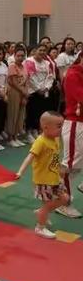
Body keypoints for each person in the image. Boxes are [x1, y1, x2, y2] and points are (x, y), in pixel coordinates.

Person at [16, 112, 69, 239]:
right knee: (47, 204)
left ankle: (42, 213)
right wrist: (20, 171)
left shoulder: (55, 139)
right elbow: (30, 157)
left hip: (55, 178)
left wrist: (60, 169)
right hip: (44, 181)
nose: (61, 129)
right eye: (59, 126)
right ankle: (40, 227)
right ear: (45, 127)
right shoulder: (41, 141)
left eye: (62, 126)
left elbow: (54, 157)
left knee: (65, 198)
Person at [59, 52, 83, 218]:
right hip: (76, 123)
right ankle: (63, 203)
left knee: (75, 164)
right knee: (69, 165)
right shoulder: (73, 74)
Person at [24, 45, 53, 143]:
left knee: (40, 112)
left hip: (44, 91)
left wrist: (46, 88)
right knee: (31, 112)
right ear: (35, 51)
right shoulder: (29, 61)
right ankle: (28, 133)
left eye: (44, 50)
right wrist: (38, 89)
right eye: (40, 50)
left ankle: (36, 130)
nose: (42, 52)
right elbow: (31, 77)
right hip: (33, 91)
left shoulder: (47, 63)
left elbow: (50, 76)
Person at [6, 45, 28, 147]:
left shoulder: (24, 67)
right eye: (18, 55)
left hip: (22, 92)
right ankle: (10, 137)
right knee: (13, 114)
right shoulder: (12, 66)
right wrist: (23, 91)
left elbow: (26, 81)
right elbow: (13, 82)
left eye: (22, 56)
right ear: (14, 56)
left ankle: (16, 136)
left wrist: (25, 95)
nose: (20, 58)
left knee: (20, 115)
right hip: (14, 92)